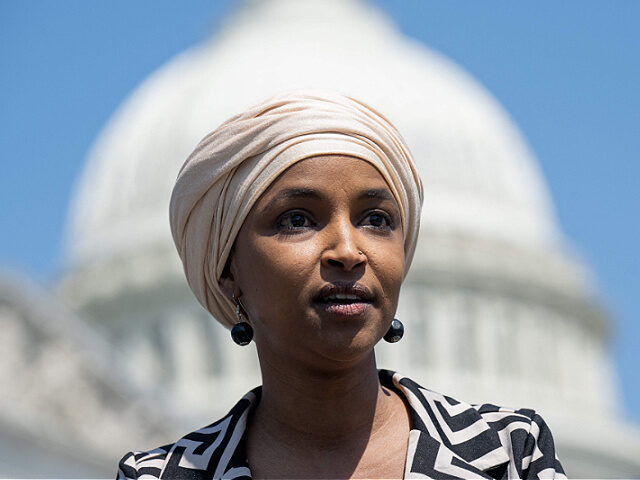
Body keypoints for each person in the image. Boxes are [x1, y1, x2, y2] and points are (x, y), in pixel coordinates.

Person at [116, 91, 566, 479]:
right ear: (227, 268)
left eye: (376, 219)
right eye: (297, 219)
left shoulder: (508, 456)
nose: (348, 251)